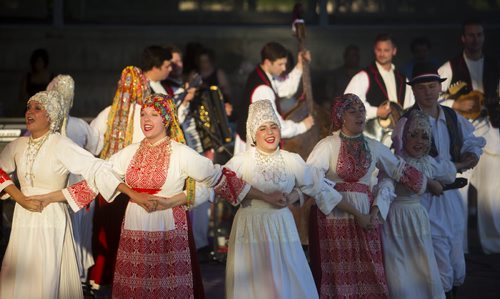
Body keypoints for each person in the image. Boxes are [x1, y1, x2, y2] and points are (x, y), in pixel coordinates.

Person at [100, 94, 283, 298]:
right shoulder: (130, 152)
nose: (146, 120)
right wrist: (133, 194)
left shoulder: (180, 153)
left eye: (154, 114)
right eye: (143, 114)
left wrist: (265, 196)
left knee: (167, 286)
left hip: (167, 224)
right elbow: (103, 172)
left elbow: (217, 178)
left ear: (167, 119)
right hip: (135, 223)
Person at [224, 100, 368, 299]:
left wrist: (357, 213)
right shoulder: (241, 161)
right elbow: (222, 184)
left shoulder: (292, 160)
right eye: (263, 128)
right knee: (255, 283)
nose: (270, 132)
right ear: (253, 134)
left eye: (274, 126)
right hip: (251, 226)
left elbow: (318, 187)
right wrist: (264, 196)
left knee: (288, 279)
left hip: (281, 226)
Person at [306, 93, 442, 298]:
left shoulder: (373, 146)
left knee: (369, 271)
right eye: (353, 112)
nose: (360, 115)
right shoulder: (327, 145)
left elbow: (398, 169)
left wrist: (427, 183)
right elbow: (312, 180)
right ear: (341, 116)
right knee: (339, 273)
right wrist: (355, 213)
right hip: (335, 217)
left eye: (362, 110)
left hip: (367, 217)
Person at [0, 90, 117, 298]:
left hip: (51, 216)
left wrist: (54, 196)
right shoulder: (18, 145)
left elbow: (99, 171)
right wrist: (19, 197)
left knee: (47, 270)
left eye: (38, 108)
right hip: (23, 217)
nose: (30, 112)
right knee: (20, 270)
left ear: (51, 116)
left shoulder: (60, 144)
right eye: (29, 107)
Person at [394, 62, 485, 298]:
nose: (428, 91)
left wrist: (471, 154)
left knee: (456, 253)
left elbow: (471, 140)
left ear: (439, 88)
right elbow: (405, 162)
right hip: (425, 197)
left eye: (432, 86)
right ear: (413, 90)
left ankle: (453, 290)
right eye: (422, 87)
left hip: (452, 197)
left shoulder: (452, 116)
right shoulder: (407, 122)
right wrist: (456, 166)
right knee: (436, 256)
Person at [382, 109, 466, 299]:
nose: (418, 141)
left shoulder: (428, 161)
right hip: (396, 217)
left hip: (417, 216)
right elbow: (386, 184)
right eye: (413, 135)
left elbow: (446, 170)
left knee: (422, 262)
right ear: (404, 136)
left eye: (424, 137)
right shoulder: (396, 161)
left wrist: (460, 166)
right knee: (398, 263)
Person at [438, 19, 500, 254]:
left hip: (491, 135)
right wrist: (456, 102)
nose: (475, 39)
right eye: (471, 35)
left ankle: (494, 246)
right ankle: (458, 246)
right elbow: (427, 96)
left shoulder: (495, 65)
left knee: (493, 193)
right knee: (458, 194)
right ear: (463, 38)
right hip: (459, 136)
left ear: (484, 37)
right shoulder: (449, 68)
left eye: (479, 35)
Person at [88, 66, 150, 292]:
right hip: (137, 185)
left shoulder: (107, 113)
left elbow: (93, 146)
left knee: (106, 232)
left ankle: (102, 278)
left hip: (108, 184)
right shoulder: (147, 114)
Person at [46, 74, 101, 287]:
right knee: (77, 232)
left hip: (67, 188)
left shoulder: (44, 130)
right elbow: (95, 150)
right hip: (75, 188)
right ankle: (77, 278)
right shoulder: (80, 126)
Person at [234, 41, 314, 154]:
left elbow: (284, 87)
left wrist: (300, 66)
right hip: (253, 150)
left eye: (285, 64)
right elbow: (276, 125)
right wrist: (302, 126)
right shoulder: (262, 90)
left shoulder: (262, 73)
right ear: (267, 62)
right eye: (280, 64)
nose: (284, 68)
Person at [344, 33, 414, 142]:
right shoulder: (363, 76)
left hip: (400, 138)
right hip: (372, 139)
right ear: (374, 50)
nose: (382, 54)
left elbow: (411, 107)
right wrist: (376, 111)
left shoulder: (403, 79)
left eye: (386, 50)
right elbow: (348, 104)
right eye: (379, 50)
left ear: (394, 51)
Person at [17, 48, 54, 115]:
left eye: (39, 62)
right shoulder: (28, 78)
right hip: (31, 111)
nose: (37, 64)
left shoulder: (52, 78)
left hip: (47, 112)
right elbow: (21, 96)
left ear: (44, 62)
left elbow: (55, 98)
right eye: (35, 62)